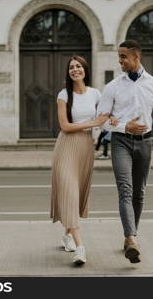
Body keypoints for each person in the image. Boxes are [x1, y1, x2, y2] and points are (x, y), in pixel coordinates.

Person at [97, 40, 153, 263]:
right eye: (119, 57)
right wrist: (123, 126)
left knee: (139, 193)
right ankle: (131, 238)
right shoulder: (112, 87)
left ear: (136, 57)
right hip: (121, 143)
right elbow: (101, 121)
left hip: (145, 144)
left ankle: (130, 237)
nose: (120, 61)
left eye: (123, 57)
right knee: (125, 190)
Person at [50, 55, 110, 265]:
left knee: (74, 198)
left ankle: (67, 235)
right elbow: (65, 126)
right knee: (69, 193)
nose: (75, 70)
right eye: (71, 67)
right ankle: (81, 249)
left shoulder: (95, 94)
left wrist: (115, 122)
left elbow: (105, 120)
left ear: (85, 69)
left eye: (78, 66)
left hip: (85, 148)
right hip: (66, 146)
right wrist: (93, 122)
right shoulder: (63, 95)